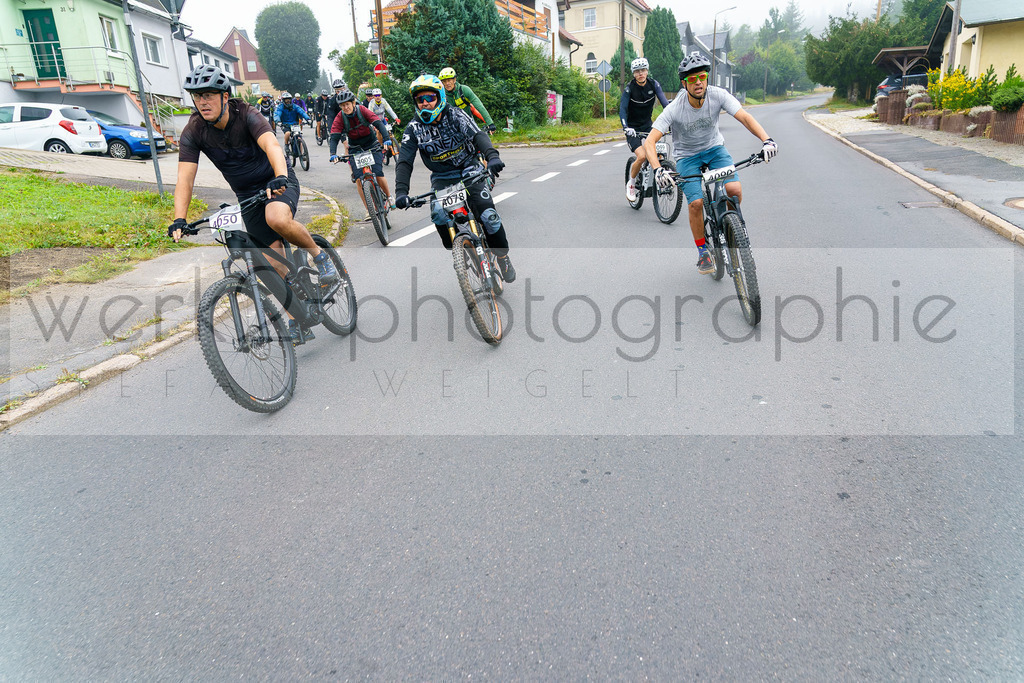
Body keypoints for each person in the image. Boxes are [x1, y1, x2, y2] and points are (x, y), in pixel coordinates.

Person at [168, 65, 338, 345]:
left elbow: (272, 146)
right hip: (247, 195)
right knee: (271, 264)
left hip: (276, 179)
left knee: (278, 219)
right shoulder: (194, 129)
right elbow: (184, 179)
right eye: (197, 96)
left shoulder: (246, 113)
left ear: (225, 96)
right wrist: (179, 219)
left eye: (209, 95)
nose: (203, 102)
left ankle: (320, 257)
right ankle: (297, 318)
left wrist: (280, 176)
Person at [643, 52, 777, 275]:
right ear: (685, 83)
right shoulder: (675, 107)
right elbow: (650, 142)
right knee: (695, 203)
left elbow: (744, 116)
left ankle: (734, 230)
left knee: (733, 189)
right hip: (687, 157)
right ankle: (703, 251)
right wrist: (658, 170)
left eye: (702, 76)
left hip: (715, 150)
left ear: (707, 77)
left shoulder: (717, 95)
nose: (698, 82)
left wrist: (767, 140)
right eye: (692, 79)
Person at [393, 74, 515, 282]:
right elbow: (405, 160)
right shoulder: (413, 128)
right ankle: (463, 248)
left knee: (488, 216)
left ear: (440, 98)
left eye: (430, 98)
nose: (425, 103)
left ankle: (502, 257)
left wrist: (492, 156)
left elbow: (478, 135)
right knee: (440, 216)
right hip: (442, 176)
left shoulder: (455, 114)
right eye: (420, 100)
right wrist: (401, 191)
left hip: (470, 168)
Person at [328, 89, 395, 220]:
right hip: (355, 148)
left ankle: (389, 196)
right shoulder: (340, 117)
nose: (345, 107)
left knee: (378, 173)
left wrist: (386, 138)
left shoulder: (362, 110)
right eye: (342, 105)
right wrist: (333, 153)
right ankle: (369, 210)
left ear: (353, 103)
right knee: (359, 179)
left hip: (371, 144)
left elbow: (378, 123)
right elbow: (334, 136)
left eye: (347, 104)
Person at [621, 57, 670, 203]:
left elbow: (665, 103)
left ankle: (659, 178)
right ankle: (631, 183)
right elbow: (622, 110)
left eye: (643, 70)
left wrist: (673, 119)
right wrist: (626, 127)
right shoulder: (629, 89)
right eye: (637, 71)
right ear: (633, 74)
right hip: (632, 128)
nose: (640, 73)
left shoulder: (654, 84)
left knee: (660, 153)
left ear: (647, 71)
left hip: (648, 125)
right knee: (642, 156)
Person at [438, 67, 495, 133]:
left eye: (449, 80)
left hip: (469, 123)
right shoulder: (442, 95)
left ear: (454, 80)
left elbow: (479, 106)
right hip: (453, 126)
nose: (447, 83)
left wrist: (490, 123)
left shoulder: (464, 90)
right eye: (444, 81)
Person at [274, 92, 311, 158]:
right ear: (283, 100)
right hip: (285, 124)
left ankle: (302, 154)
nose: (288, 101)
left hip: (295, 124)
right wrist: (278, 121)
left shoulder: (295, 106)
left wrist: (308, 119)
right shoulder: (280, 107)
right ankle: (286, 145)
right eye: (286, 99)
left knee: (299, 137)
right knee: (287, 133)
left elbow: (301, 112)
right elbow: (277, 114)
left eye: (289, 99)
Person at [366, 87, 401, 153]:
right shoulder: (371, 103)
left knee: (389, 131)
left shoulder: (383, 101)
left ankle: (391, 143)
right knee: (378, 132)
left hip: (382, 119)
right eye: (376, 96)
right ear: (373, 97)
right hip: (375, 121)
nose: (377, 97)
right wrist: (373, 125)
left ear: (381, 95)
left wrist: (396, 118)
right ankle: (381, 146)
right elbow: (369, 114)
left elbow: (389, 110)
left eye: (379, 95)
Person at [325, 78, 350, 156]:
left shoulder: (350, 97)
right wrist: (331, 129)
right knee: (347, 145)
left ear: (344, 88)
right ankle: (348, 158)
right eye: (337, 91)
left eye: (341, 90)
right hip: (340, 123)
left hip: (352, 122)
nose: (339, 92)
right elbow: (330, 116)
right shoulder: (332, 101)